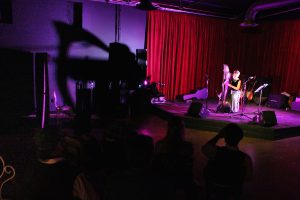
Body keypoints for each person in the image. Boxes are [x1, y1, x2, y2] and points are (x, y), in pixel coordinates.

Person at [202, 123, 253, 200]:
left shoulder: (216, 152)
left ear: (225, 138)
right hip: (233, 190)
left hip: (215, 188)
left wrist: (218, 136)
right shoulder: (245, 159)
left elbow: (205, 148)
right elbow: (248, 178)